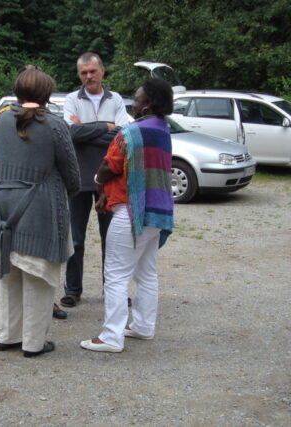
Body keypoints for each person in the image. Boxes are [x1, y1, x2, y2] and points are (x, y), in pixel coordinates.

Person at [0, 69, 80, 357]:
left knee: (7, 272)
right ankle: (33, 343)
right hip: (37, 208)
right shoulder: (54, 125)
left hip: (0, 205)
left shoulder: (0, 120)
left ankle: (7, 335)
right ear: (48, 95)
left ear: (17, 92)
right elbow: (72, 175)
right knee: (37, 276)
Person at [80, 78, 175, 353]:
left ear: (148, 104)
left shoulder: (131, 133)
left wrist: (97, 180)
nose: (134, 103)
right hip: (158, 213)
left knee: (116, 274)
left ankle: (111, 337)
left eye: (138, 98)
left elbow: (110, 166)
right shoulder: (163, 130)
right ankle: (143, 326)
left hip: (132, 211)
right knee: (146, 272)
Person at [60, 52, 131, 308]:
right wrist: (105, 127)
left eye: (92, 71)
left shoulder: (116, 99)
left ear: (102, 71)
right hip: (78, 178)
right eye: (84, 73)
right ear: (79, 75)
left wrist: (86, 130)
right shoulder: (71, 99)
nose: (89, 76)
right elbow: (70, 133)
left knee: (111, 240)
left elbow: (122, 136)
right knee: (75, 239)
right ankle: (72, 290)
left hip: (108, 178)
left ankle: (112, 290)